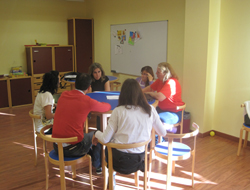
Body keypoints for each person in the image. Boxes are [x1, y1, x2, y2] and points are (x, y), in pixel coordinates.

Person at [92, 79, 167, 180]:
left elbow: (105, 139)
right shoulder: (150, 110)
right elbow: (163, 132)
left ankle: (111, 176)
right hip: (139, 159)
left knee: (108, 143)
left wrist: (96, 133)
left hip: (118, 160)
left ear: (123, 94)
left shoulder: (118, 111)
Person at [52, 73, 111, 174]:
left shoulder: (63, 95)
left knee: (87, 136)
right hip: (73, 148)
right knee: (98, 134)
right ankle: (97, 166)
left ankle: (93, 157)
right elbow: (107, 107)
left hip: (57, 146)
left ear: (74, 84)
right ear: (89, 87)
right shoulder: (87, 100)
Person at [142, 62, 184, 133]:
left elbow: (160, 97)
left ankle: (168, 130)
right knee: (145, 115)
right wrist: (139, 92)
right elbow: (150, 88)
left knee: (157, 119)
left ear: (165, 73)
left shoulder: (171, 82)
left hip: (174, 112)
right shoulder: (160, 80)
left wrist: (149, 93)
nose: (156, 73)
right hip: (162, 109)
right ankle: (154, 137)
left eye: (158, 72)